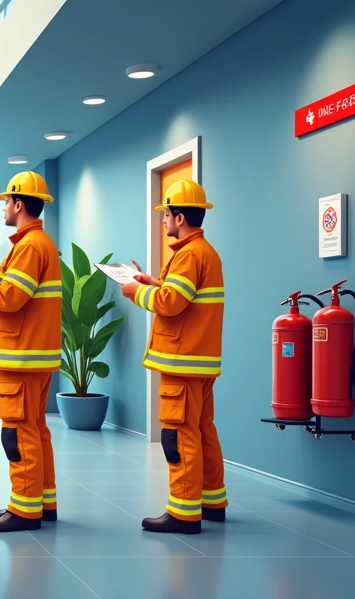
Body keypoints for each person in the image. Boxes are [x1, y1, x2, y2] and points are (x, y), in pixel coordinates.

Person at [121, 179, 226, 535]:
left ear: (179, 217)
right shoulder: (203, 252)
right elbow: (182, 295)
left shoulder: (189, 255)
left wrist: (136, 293)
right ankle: (211, 501)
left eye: (165, 214)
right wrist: (151, 282)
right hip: (200, 361)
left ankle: (183, 511)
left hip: (183, 361)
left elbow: (171, 303)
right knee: (202, 431)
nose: (163, 220)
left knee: (178, 436)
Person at [0, 170, 63, 533]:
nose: (3, 207)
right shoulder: (38, 243)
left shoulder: (30, 246)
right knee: (35, 429)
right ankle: (41, 502)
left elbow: (10, 297)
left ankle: (24, 509)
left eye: (6, 201)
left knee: (17, 433)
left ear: (18, 204)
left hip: (22, 355)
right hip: (34, 354)